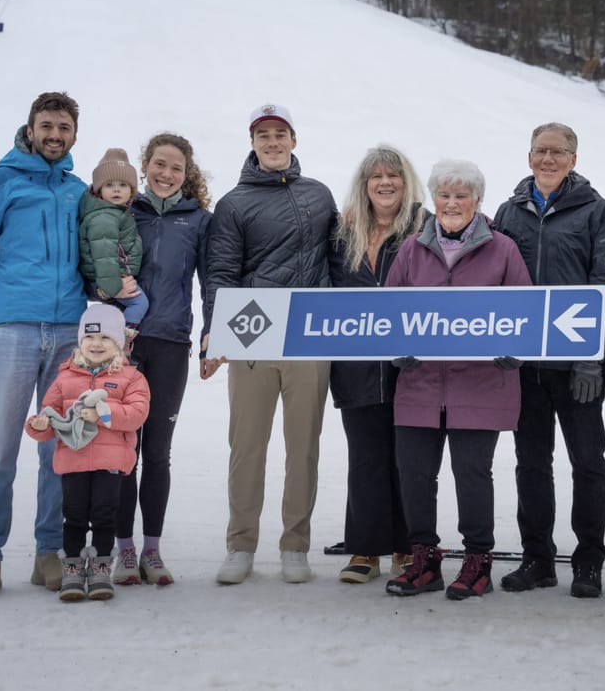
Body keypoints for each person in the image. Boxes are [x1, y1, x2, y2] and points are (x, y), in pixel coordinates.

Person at [0, 91, 86, 598]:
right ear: (30, 128)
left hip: (69, 333)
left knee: (57, 449)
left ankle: (48, 553)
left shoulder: (78, 192)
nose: (55, 135)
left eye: (64, 128)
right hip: (11, 331)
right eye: (46, 126)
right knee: (0, 450)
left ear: (75, 134)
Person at [382, 159, 533, 601]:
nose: (452, 203)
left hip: (481, 385)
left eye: (461, 195)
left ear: (477, 201)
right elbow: (387, 312)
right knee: (414, 474)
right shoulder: (411, 249)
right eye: (444, 195)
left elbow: (525, 313)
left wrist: (515, 350)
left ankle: (477, 560)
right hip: (420, 385)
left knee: (471, 474)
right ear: (433, 200)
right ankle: (424, 560)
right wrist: (398, 348)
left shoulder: (503, 249)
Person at [204, 104, 338, 585]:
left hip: (307, 334)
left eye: (280, 134)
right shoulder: (234, 204)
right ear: (253, 143)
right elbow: (219, 273)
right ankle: (240, 544)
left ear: (294, 140)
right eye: (264, 136)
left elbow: (340, 259)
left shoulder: (319, 196)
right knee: (247, 445)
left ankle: (294, 546)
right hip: (252, 334)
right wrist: (214, 333)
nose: (273, 142)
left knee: (303, 446)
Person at [491, 122, 605, 598]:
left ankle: (588, 561)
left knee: (587, 461)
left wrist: (593, 358)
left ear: (573, 158)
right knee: (531, 462)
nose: (548, 159)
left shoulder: (595, 212)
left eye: (558, 152)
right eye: (540, 151)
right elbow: (494, 283)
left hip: (576, 364)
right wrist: (498, 343)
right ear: (529, 156)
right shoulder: (509, 211)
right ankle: (538, 558)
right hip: (525, 366)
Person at [111, 133, 213, 587]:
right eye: (159, 164)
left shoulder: (199, 222)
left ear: (186, 173)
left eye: (175, 167)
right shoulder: (122, 213)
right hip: (123, 347)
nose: (166, 173)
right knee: (120, 451)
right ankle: (123, 551)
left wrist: (214, 330)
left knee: (157, 452)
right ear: (145, 165)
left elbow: (213, 281)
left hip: (171, 343)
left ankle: (151, 549)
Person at [328, 145, 427, 584]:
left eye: (394, 175)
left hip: (409, 368)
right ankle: (365, 549)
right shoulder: (342, 233)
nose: (385, 183)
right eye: (376, 177)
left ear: (406, 183)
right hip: (356, 367)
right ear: (364, 186)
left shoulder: (423, 229)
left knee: (407, 459)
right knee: (365, 456)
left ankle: (407, 547)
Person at [25, 304, 151, 601]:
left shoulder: (131, 378)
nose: (96, 344)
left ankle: (100, 567)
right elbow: (50, 416)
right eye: (90, 338)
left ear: (119, 343)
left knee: (105, 515)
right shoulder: (64, 377)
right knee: (74, 515)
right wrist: (38, 424)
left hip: (111, 462)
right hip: (73, 460)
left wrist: (104, 413)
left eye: (105, 338)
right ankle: (72, 568)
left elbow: (137, 413)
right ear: (80, 341)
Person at [78, 148, 147, 339]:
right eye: (109, 185)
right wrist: (113, 288)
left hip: (110, 278)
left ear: (131, 191)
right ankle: (122, 336)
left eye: (123, 185)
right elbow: (104, 256)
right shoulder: (104, 217)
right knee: (139, 303)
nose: (116, 189)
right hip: (108, 279)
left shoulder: (115, 213)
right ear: (99, 190)